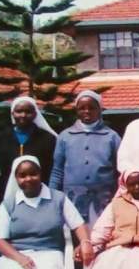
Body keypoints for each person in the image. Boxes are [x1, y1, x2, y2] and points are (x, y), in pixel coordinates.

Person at [50, 90, 120, 228]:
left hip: (103, 197)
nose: (87, 111)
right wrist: (53, 197)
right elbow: (57, 170)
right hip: (72, 197)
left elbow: (120, 170)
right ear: (77, 110)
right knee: (76, 235)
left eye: (92, 108)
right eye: (82, 108)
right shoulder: (65, 136)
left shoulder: (111, 136)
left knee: (102, 232)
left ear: (100, 110)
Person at [0, 96, 58, 206]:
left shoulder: (48, 139)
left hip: (39, 197)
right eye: (19, 111)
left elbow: (52, 170)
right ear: (12, 113)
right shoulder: (0, 140)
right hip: (5, 198)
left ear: (35, 114)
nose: (23, 115)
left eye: (28, 111)